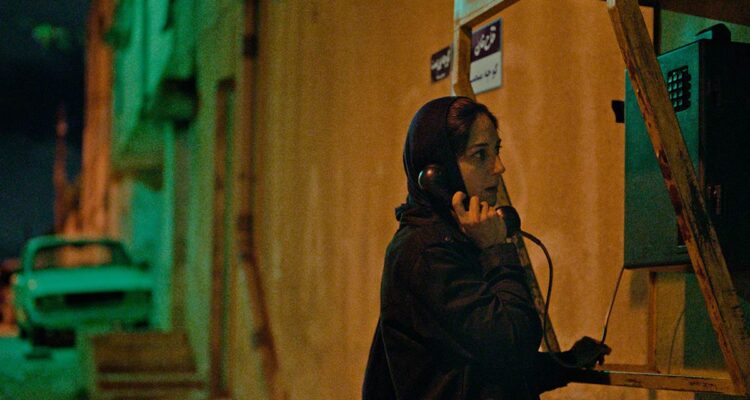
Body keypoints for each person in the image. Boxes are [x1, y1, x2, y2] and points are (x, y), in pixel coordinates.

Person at [363, 97, 610, 399]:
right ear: (438, 173)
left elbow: (487, 365)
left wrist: (567, 363)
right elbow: (513, 343)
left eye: (497, 150)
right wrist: (496, 249)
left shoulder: (456, 238)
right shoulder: (428, 252)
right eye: (480, 155)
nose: (499, 167)